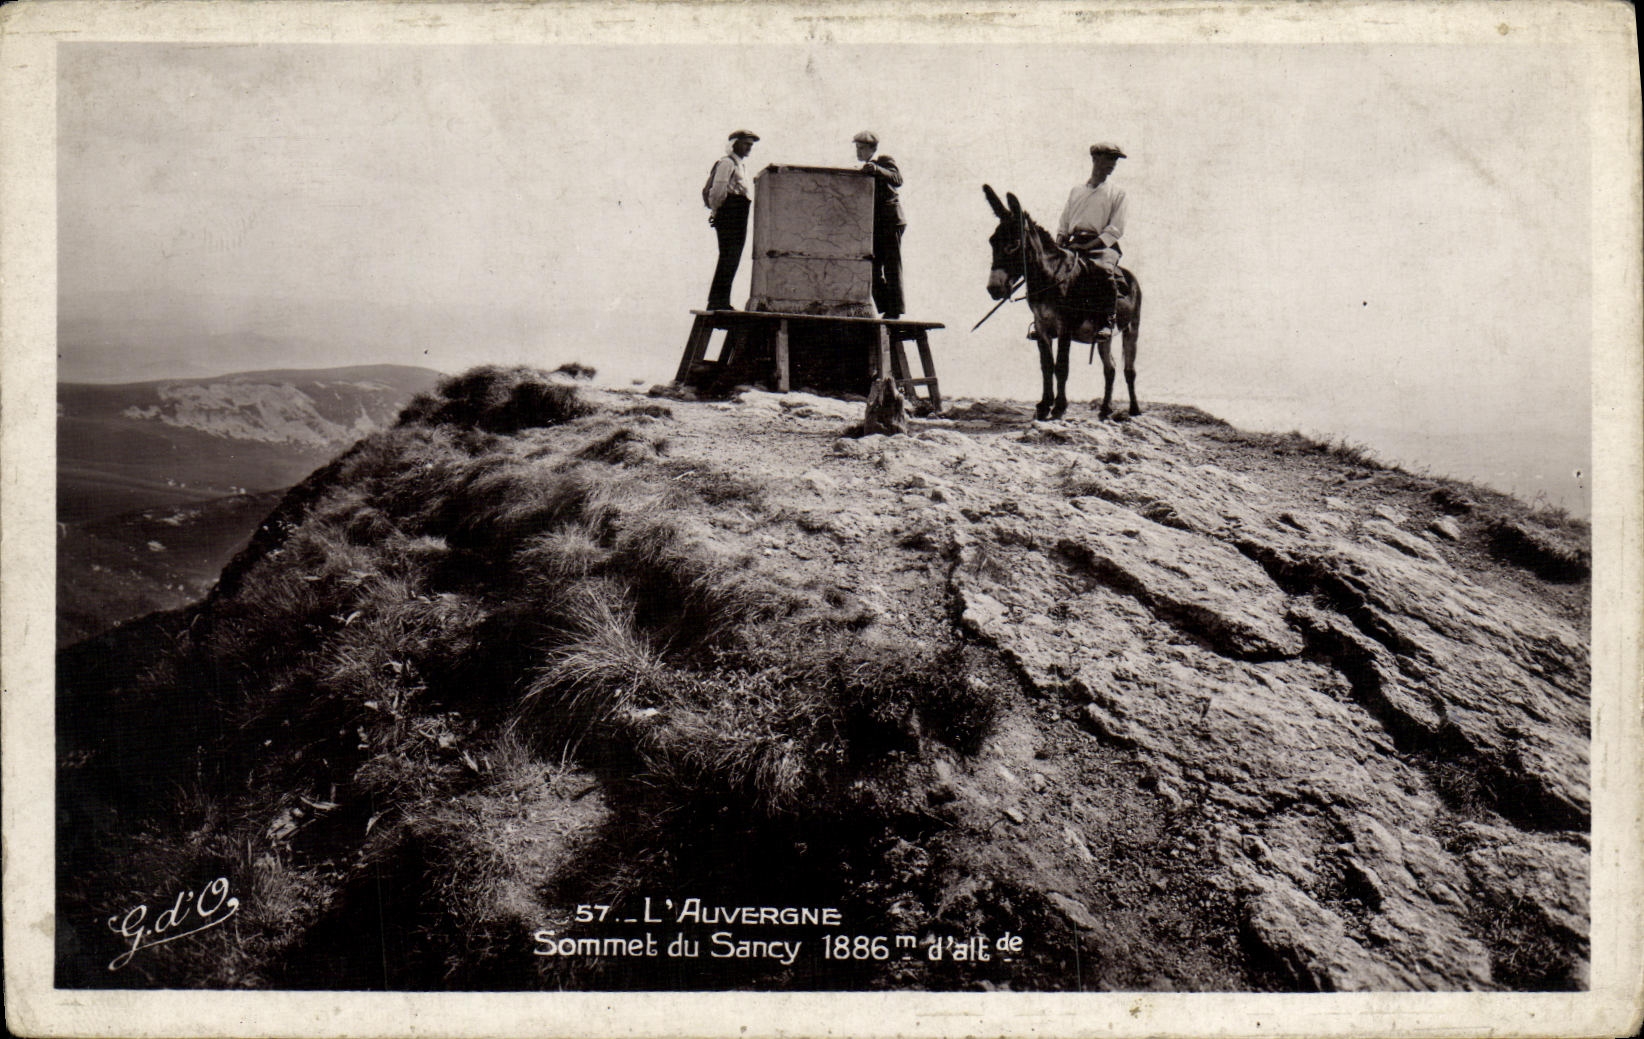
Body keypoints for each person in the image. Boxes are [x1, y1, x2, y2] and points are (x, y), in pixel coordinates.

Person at [1056, 142, 1128, 335]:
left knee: (1104, 271)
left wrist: (1089, 246)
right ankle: (1045, 321)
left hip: (1101, 246)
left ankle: (1107, 320)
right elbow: (1064, 221)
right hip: (1074, 244)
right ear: (1095, 158)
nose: (1113, 164)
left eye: (1115, 160)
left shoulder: (1117, 193)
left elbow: (1115, 228)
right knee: (1050, 270)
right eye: (1109, 158)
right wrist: (1060, 240)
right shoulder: (1076, 191)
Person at [854, 131, 906, 319]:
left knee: (891, 265)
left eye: (861, 148)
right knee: (872, 267)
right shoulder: (865, 169)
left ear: (872, 148)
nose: (858, 152)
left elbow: (897, 179)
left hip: (891, 221)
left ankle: (895, 311)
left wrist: (876, 169)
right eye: (857, 148)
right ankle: (887, 308)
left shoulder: (883, 160)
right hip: (875, 224)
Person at [704, 130, 758, 311]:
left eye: (751, 144)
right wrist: (717, 211)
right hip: (730, 211)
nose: (749, 147)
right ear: (735, 144)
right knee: (729, 256)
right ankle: (718, 301)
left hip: (739, 211)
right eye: (746, 144)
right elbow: (718, 190)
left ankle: (720, 299)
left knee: (732, 257)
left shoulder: (741, 165)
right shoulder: (727, 163)